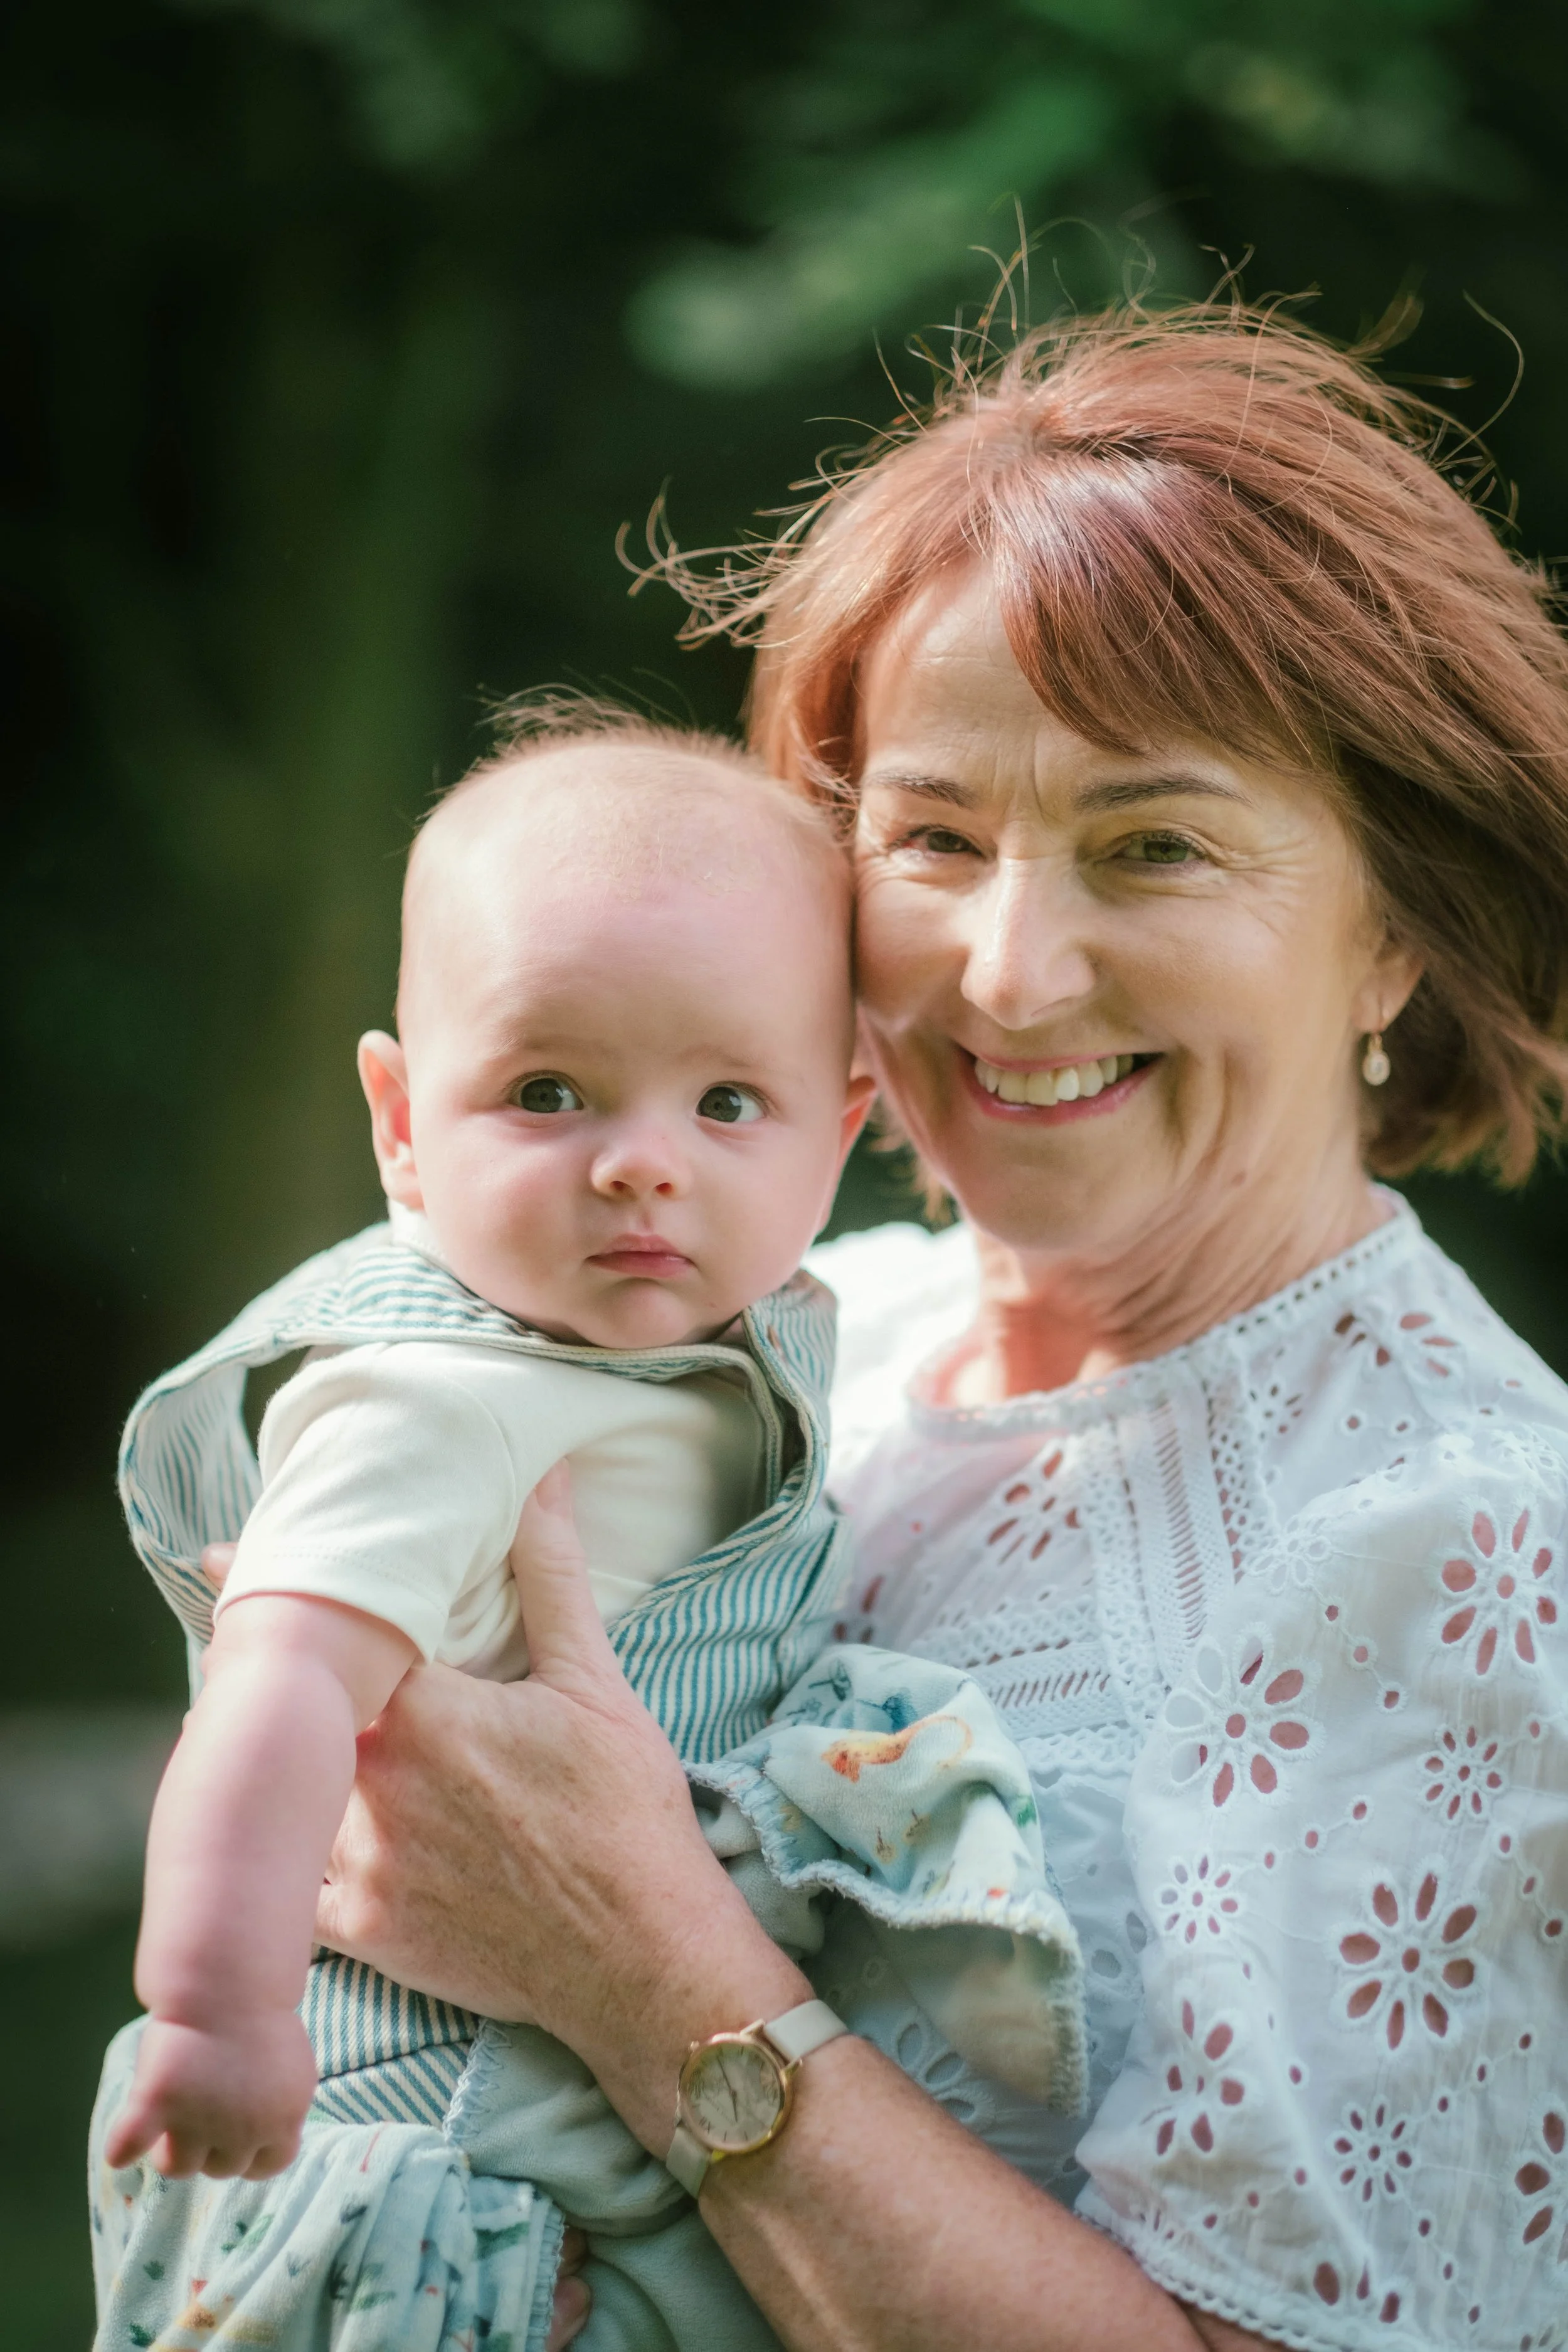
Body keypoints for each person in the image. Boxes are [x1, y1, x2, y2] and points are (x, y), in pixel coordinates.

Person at [218, 305, 1568, 2352]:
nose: (1009, 976)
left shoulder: (1466, 1551)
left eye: (1151, 844)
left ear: (1389, 928)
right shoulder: (803, 1334)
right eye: (931, 837)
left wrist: (645, 1971)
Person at [94, 717, 1087, 2352]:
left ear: (838, 1136)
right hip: (457, 2136)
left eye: (725, 1101)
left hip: (594, 2087)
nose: (640, 1163)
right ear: (403, 1120)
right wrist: (217, 2005)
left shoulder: (726, 1342)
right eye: (547, 1092)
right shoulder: (428, 1397)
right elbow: (270, 1690)